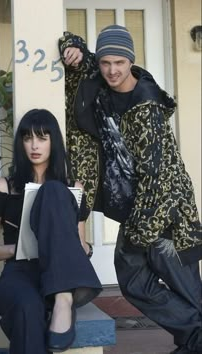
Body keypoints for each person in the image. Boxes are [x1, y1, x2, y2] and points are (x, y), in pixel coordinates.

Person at [58, 25, 202, 354]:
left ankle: (195, 338)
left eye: (119, 63)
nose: (112, 70)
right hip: (140, 209)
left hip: (167, 212)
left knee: (182, 288)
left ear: (131, 62)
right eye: (106, 62)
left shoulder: (145, 105)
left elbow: (159, 178)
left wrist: (140, 234)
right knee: (136, 282)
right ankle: (195, 337)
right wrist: (74, 46)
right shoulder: (98, 80)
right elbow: (72, 47)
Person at [0, 108, 102, 354]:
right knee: (27, 306)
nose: (34, 145)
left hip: (59, 272)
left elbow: (80, 243)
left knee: (54, 190)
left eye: (42, 138)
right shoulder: (4, 187)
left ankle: (63, 296)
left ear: (53, 142)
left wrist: (83, 248)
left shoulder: (72, 189)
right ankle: (60, 297)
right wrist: (20, 249)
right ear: (21, 142)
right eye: (28, 138)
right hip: (19, 272)